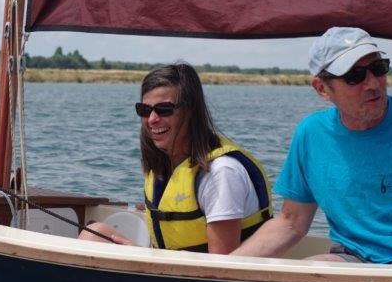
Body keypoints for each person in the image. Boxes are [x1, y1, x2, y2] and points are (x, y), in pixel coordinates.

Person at [231, 27, 392, 264]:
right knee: (300, 280)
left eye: (378, 69)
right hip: (354, 261)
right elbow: (291, 222)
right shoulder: (311, 134)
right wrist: (224, 269)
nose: (373, 84)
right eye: (355, 76)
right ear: (322, 89)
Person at [79, 63, 272, 254]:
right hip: (168, 271)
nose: (152, 119)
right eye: (144, 110)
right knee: (94, 234)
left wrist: (147, 262)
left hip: (204, 280)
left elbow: (222, 269)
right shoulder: (165, 165)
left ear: (190, 112)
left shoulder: (221, 173)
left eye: (164, 109)